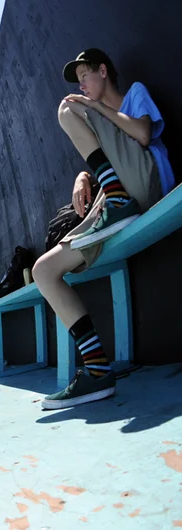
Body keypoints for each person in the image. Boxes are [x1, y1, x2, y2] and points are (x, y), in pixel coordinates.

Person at [33, 49, 174, 410]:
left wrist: (95, 108)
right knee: (43, 272)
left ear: (103, 71)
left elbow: (142, 133)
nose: (81, 84)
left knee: (67, 108)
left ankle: (115, 199)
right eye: (79, 79)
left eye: (85, 75)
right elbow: (109, 153)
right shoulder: (97, 123)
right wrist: (84, 175)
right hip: (119, 194)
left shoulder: (132, 95)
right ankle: (97, 370)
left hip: (147, 181)